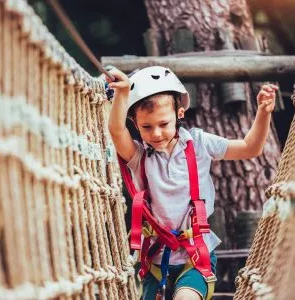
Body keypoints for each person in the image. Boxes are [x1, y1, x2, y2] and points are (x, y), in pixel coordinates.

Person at [106, 66, 277, 300]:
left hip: (195, 256)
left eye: (163, 124)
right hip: (156, 261)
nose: (156, 133)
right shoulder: (139, 157)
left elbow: (250, 147)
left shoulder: (198, 143)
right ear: (134, 123)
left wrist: (263, 113)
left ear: (180, 114)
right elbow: (116, 131)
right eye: (147, 127)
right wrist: (122, 95)